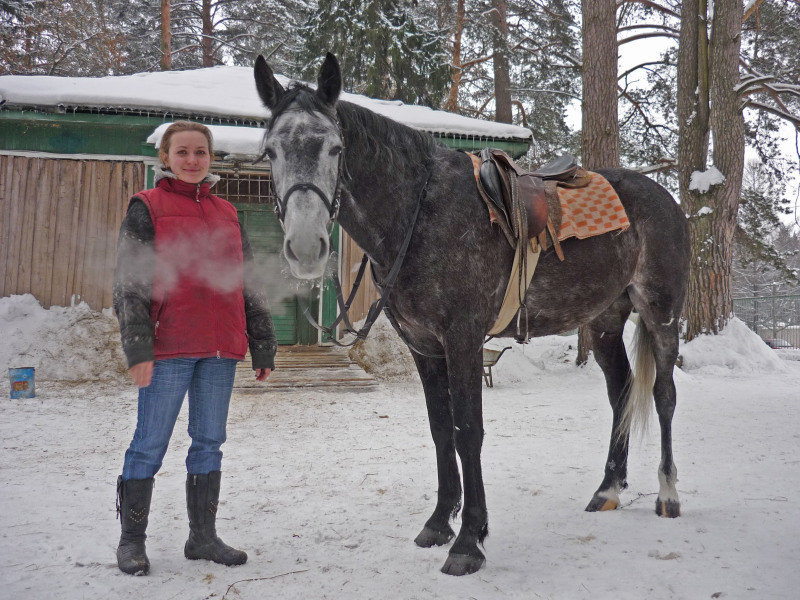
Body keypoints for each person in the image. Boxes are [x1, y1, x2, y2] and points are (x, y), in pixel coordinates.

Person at [112, 121, 277, 576]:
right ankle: (132, 542)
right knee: (149, 444)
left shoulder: (227, 212)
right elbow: (130, 282)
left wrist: (261, 341)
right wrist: (138, 347)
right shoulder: (146, 207)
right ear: (165, 157)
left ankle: (202, 538)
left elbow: (247, 281)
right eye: (182, 152)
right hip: (169, 347)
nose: (192, 160)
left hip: (220, 348)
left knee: (209, 442)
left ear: (210, 158)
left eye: (200, 152)